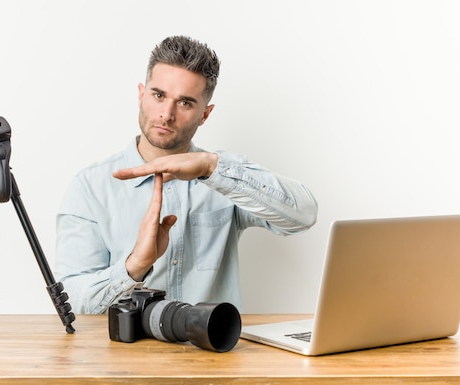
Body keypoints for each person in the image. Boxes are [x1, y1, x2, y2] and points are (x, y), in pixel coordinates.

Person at [55, 35, 318, 314]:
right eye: (158, 95)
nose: (166, 114)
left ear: (205, 114)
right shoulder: (91, 186)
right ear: (141, 95)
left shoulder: (226, 181)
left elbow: (303, 216)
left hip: (215, 352)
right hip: (125, 356)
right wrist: (134, 266)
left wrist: (212, 169)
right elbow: (72, 304)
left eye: (185, 103)